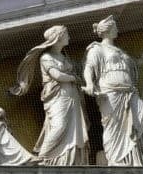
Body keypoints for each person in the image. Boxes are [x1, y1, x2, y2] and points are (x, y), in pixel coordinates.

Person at [82, 15, 143, 166]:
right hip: (111, 93)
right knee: (114, 126)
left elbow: (139, 62)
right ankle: (115, 160)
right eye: (115, 27)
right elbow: (89, 68)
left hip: (130, 92)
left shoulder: (120, 51)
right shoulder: (97, 49)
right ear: (107, 30)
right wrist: (89, 84)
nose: (117, 29)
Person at [10, 25, 90, 165]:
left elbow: (79, 69)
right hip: (58, 97)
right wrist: (74, 78)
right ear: (58, 37)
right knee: (59, 126)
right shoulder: (46, 57)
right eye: (66, 34)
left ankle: (70, 160)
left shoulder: (65, 57)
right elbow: (56, 75)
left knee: (74, 128)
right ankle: (43, 157)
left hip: (72, 96)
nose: (69, 37)